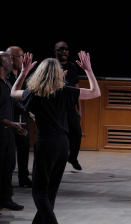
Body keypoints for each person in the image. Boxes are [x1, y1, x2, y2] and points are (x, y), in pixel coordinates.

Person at [11, 51, 101, 224]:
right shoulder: (66, 92)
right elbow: (96, 93)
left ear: (40, 74)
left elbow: (13, 92)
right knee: (49, 192)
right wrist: (89, 70)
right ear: (59, 74)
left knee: (39, 192)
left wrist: (24, 72)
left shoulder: (34, 94)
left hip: (46, 145)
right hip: (63, 145)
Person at [0, 52, 27, 211]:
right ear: (2, 64)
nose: (12, 61)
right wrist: (9, 123)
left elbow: (13, 104)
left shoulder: (7, 83)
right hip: (2, 132)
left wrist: (29, 112)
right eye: (9, 59)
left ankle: (5, 199)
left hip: (8, 134)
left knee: (8, 166)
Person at [6, 46, 32, 188]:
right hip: (9, 117)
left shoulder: (24, 75)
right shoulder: (5, 75)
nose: (23, 60)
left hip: (23, 116)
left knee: (24, 147)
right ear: (11, 58)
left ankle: (24, 178)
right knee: (8, 152)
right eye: (20, 57)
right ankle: (6, 183)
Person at [54, 41, 83, 171]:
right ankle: (56, 161)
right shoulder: (51, 65)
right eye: (61, 49)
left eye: (66, 49)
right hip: (55, 106)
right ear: (55, 51)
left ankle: (73, 157)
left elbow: (77, 88)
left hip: (70, 106)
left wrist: (79, 109)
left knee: (77, 132)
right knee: (59, 134)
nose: (64, 51)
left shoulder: (72, 67)